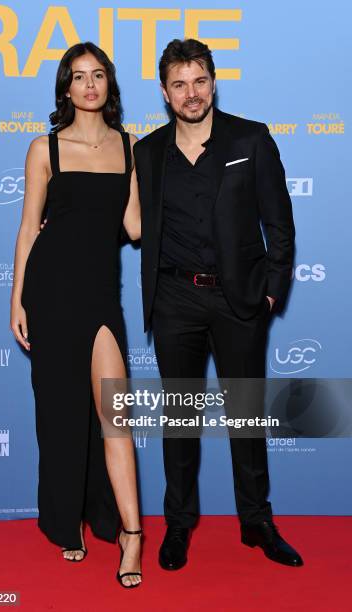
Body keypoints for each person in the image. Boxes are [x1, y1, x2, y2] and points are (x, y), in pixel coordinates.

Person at [133, 38, 303, 569]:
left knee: (246, 419)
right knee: (179, 421)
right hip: (174, 300)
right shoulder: (148, 151)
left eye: (199, 81)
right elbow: (125, 219)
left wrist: (270, 289)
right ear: (165, 91)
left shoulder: (251, 139)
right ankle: (179, 524)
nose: (191, 93)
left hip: (238, 302)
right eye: (179, 84)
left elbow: (279, 223)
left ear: (213, 82)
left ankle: (256, 522)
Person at [10, 42, 143, 588]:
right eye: (78, 76)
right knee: (61, 417)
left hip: (100, 297)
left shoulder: (130, 148)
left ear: (109, 85)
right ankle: (69, 523)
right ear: (66, 87)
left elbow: (135, 227)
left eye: (99, 75)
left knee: (117, 419)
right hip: (50, 293)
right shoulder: (46, 148)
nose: (89, 85)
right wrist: (17, 297)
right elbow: (27, 227)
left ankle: (131, 534)